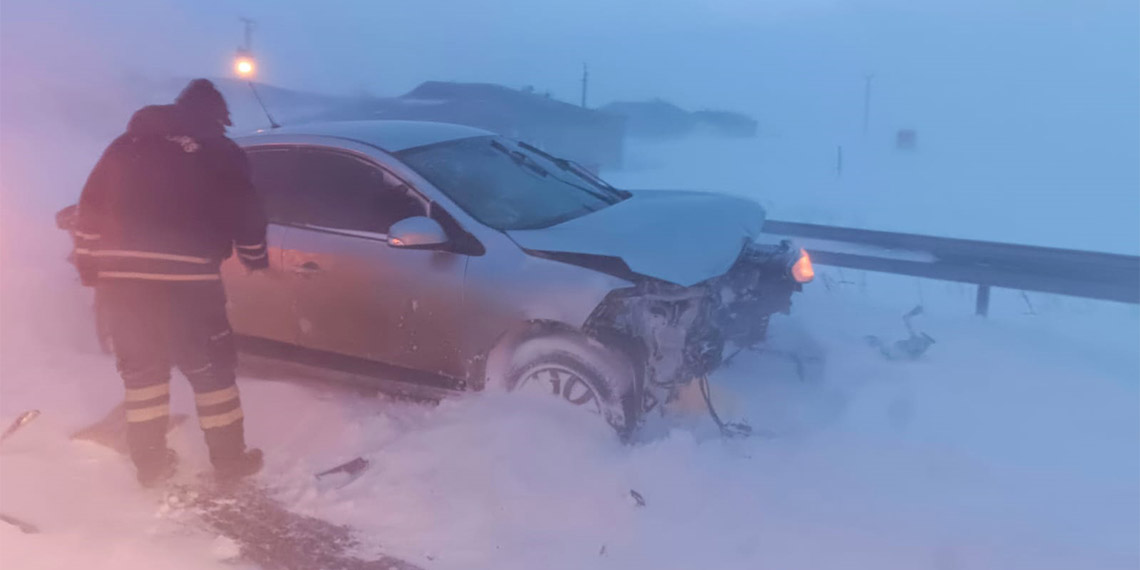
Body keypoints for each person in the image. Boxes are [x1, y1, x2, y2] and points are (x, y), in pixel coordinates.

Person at [73, 79, 269, 486]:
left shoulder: (126, 145)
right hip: (189, 281)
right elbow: (246, 209)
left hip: (123, 283)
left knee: (143, 374)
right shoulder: (219, 150)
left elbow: (90, 206)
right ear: (216, 115)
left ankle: (150, 465)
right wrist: (254, 256)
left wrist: (91, 264)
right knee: (212, 372)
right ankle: (230, 462)